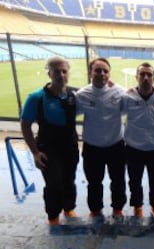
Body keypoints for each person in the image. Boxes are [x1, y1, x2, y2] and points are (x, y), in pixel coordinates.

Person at [20, 57, 79, 225]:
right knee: (53, 183)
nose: (61, 75)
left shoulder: (74, 94)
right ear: (49, 74)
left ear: (68, 73)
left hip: (70, 146)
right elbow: (25, 125)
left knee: (69, 179)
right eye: (56, 71)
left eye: (64, 71)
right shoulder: (36, 98)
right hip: (48, 147)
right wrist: (35, 153)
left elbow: (96, 93)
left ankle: (68, 208)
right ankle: (53, 216)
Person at [75, 58, 126, 219]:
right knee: (94, 183)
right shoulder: (82, 95)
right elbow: (69, 115)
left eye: (105, 71)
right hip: (92, 147)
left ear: (109, 74)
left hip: (116, 146)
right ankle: (95, 210)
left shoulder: (119, 91)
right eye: (98, 70)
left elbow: (136, 98)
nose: (102, 74)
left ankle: (118, 208)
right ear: (90, 73)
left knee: (118, 181)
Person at [121, 62, 154, 219]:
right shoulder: (127, 97)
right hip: (133, 148)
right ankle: (137, 206)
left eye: (149, 75)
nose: (146, 78)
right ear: (137, 77)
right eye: (142, 74)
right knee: (134, 181)